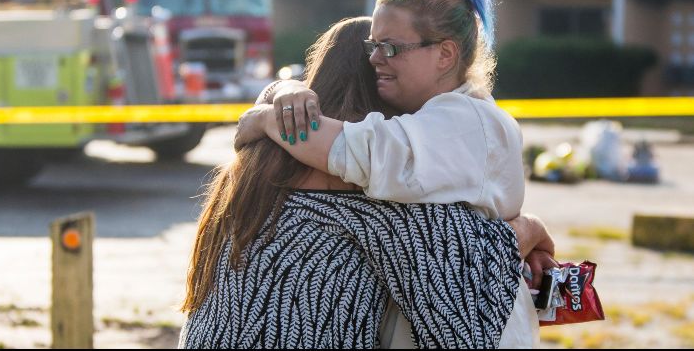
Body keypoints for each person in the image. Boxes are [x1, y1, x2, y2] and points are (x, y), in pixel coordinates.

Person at [180, 17, 553, 348]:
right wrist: (532, 227)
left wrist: (276, 97)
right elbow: (470, 269)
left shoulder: (247, 169)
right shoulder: (372, 195)